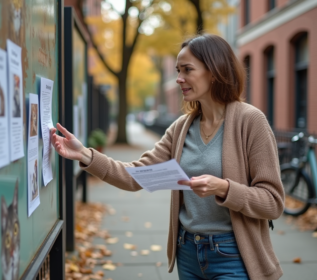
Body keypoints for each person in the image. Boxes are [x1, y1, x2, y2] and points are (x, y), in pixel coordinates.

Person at [51, 34, 284, 280]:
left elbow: (273, 202)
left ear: (214, 71)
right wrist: (85, 154)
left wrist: (225, 188)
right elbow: (134, 177)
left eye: (187, 70)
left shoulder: (251, 122)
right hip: (187, 253)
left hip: (233, 255)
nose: (179, 79)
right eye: (177, 70)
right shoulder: (181, 128)